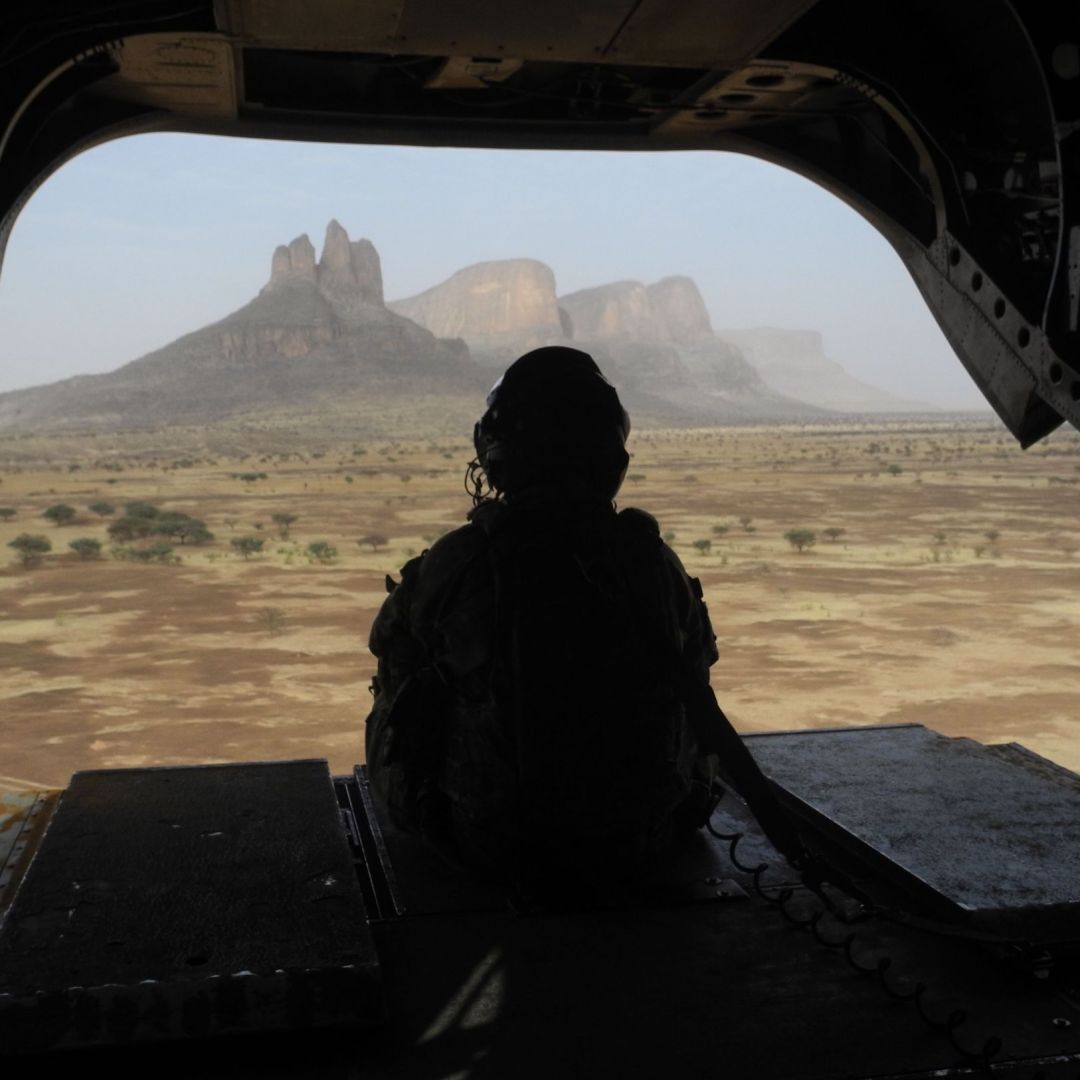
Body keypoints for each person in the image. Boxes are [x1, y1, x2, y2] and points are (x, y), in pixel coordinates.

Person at [364, 346, 797, 886]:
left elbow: (390, 646)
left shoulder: (463, 558)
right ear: (610, 456)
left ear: (500, 448)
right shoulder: (651, 559)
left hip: (499, 848)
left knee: (404, 675)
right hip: (644, 841)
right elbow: (697, 664)